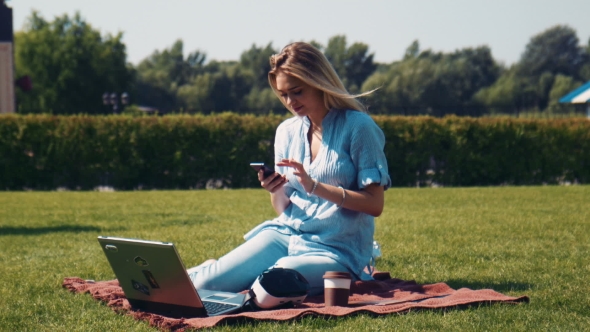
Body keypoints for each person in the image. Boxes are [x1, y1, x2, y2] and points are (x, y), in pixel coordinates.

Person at [188, 42, 391, 296]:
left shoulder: (359, 127)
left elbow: (375, 205)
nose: (290, 101)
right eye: (283, 94)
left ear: (319, 82)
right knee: (201, 288)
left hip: (336, 249)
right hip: (285, 234)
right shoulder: (286, 131)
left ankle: (240, 278)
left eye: (297, 92)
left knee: (271, 285)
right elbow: (282, 207)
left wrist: (315, 187)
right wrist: (276, 189)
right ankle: (213, 271)